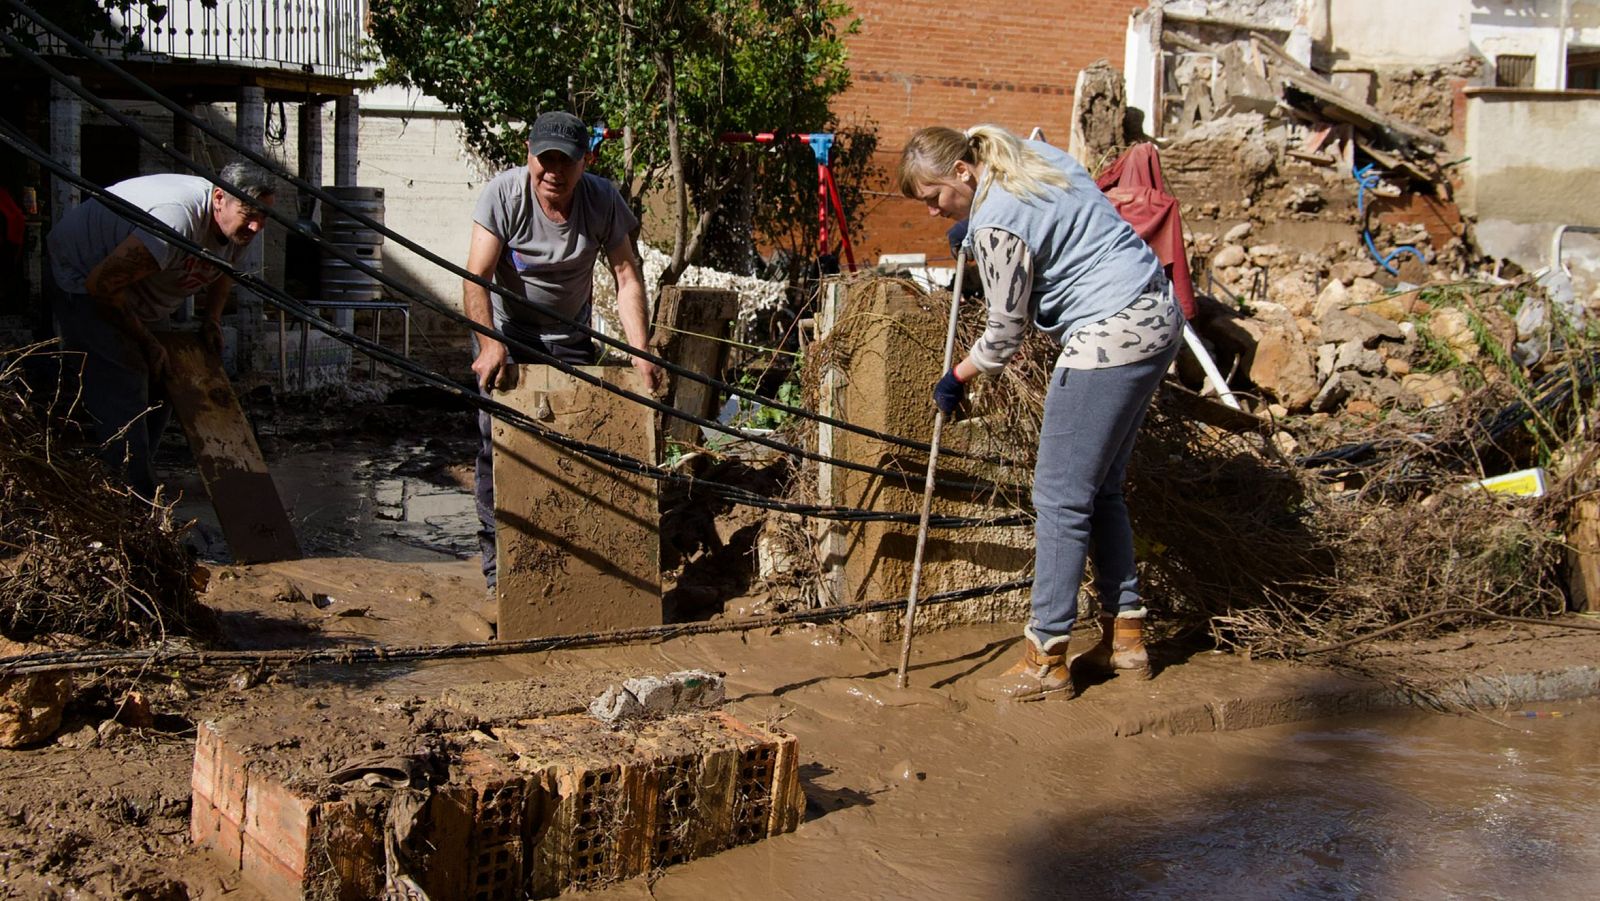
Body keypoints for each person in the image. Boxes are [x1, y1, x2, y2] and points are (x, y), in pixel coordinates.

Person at [898, 125, 1183, 702]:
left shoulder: (996, 222)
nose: (932, 213)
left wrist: (956, 377)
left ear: (962, 173)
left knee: (1059, 497)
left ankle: (1046, 658)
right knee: (1101, 490)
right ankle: (1126, 638)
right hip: (1158, 316)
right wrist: (971, 230)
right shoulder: (1029, 158)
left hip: (1109, 335)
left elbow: (1005, 332)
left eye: (934, 198)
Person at [463, 110, 664, 594]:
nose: (553, 172)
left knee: (573, 441)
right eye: (544, 160)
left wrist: (641, 350)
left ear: (585, 162)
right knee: (499, 445)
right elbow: (475, 279)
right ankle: (499, 568)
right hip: (507, 335)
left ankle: (568, 558)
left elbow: (626, 276)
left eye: (565, 162)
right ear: (528, 156)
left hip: (569, 340)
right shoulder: (504, 195)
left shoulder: (601, 199)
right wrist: (491, 346)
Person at [46, 160, 275, 500]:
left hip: (139, 287)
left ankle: (135, 472)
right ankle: (130, 495)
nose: (257, 226)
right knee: (126, 375)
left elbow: (225, 266)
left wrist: (210, 318)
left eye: (264, 216)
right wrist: (147, 341)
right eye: (248, 214)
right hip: (84, 273)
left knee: (165, 375)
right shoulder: (176, 219)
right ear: (218, 200)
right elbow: (102, 285)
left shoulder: (240, 226)